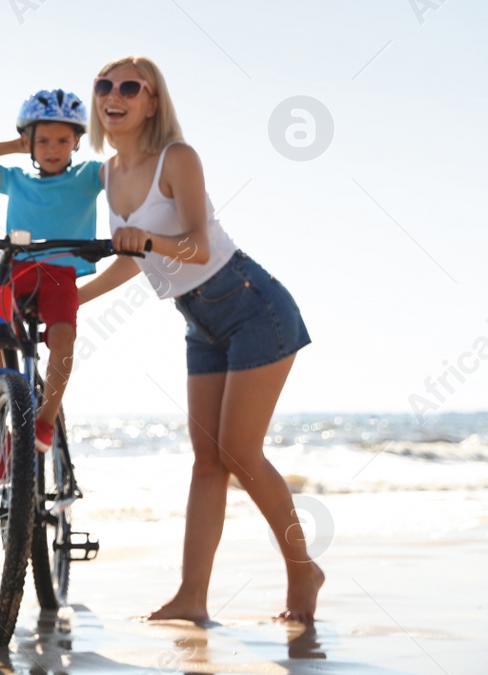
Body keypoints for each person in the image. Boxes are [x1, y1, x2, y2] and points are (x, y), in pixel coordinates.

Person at [75, 55, 322, 623]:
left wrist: (147, 243)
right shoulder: (109, 173)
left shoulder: (176, 158)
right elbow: (131, 261)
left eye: (130, 87)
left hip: (252, 304)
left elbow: (197, 248)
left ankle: (302, 569)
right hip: (198, 319)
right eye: (104, 85)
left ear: (152, 102)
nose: (115, 95)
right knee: (207, 463)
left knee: (240, 452)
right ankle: (192, 598)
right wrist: (77, 301)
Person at [0, 89, 101, 452]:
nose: (53, 148)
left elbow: (126, 169)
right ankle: (0, 434)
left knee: (64, 337)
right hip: (16, 270)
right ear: (30, 142)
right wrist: (17, 145)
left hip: (60, 274)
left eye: (63, 140)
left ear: (77, 143)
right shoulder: (17, 180)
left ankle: (45, 420)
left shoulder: (88, 176)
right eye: (43, 140)